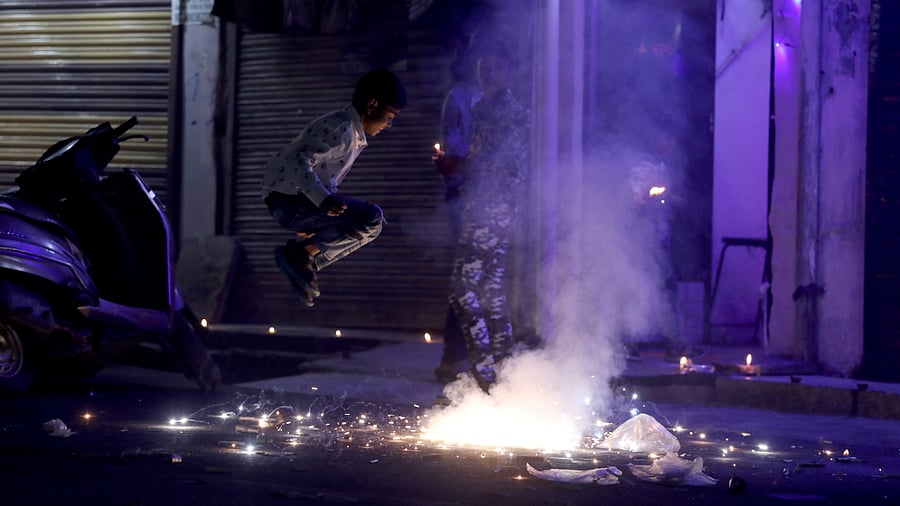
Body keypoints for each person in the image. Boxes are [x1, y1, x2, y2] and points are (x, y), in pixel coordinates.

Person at [262, 68, 407, 306]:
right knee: (371, 218)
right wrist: (321, 201)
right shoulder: (342, 131)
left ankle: (304, 258)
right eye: (389, 117)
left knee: (364, 220)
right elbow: (296, 160)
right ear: (372, 105)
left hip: (294, 202)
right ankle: (303, 256)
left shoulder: (351, 133)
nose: (389, 125)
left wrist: (322, 214)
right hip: (287, 201)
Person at [447, 39, 529, 393]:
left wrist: (460, 166)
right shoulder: (483, 111)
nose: (488, 75)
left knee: (463, 288)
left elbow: (500, 169)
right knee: (491, 288)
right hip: (485, 206)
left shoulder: (510, 116)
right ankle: (503, 377)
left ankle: (487, 375)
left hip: (493, 208)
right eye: (483, 69)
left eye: (496, 68)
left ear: (510, 72)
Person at [433, 43, 482, 383]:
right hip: (465, 195)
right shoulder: (462, 97)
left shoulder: (487, 98)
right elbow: (453, 154)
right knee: (468, 273)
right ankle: (454, 355)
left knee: (478, 276)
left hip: (485, 196)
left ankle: (464, 355)